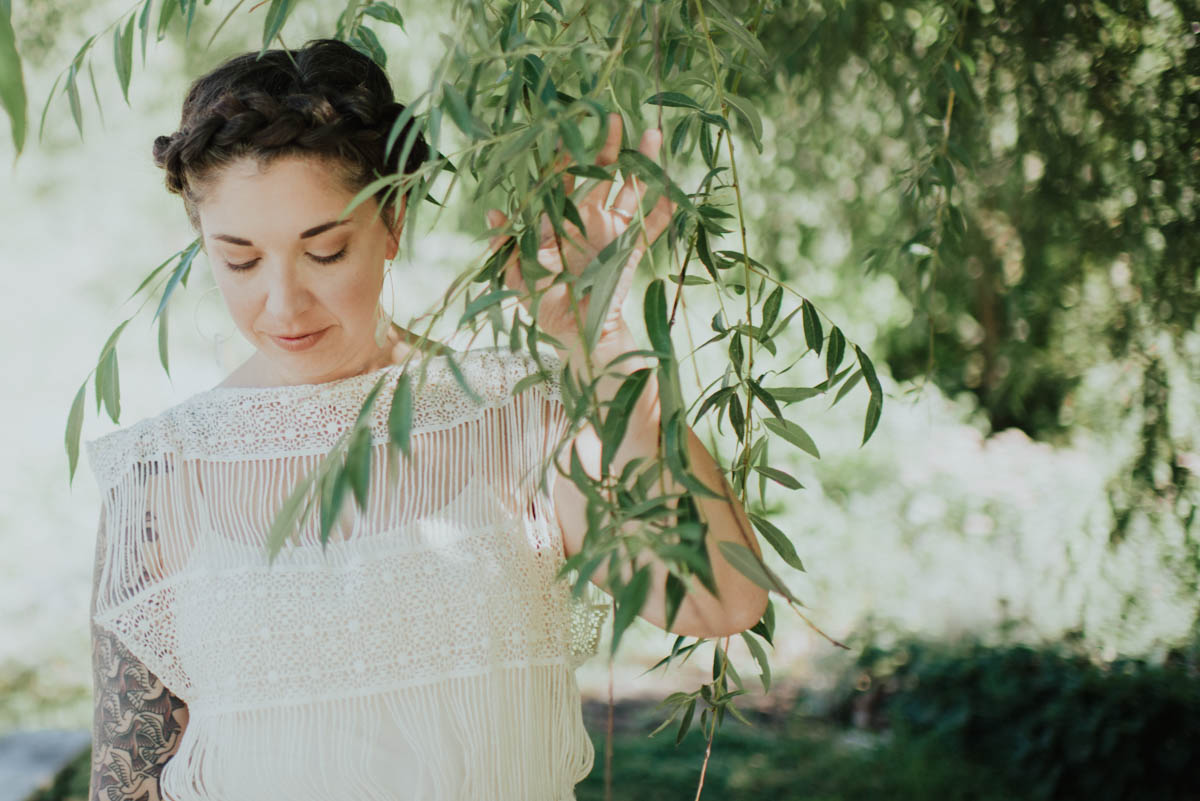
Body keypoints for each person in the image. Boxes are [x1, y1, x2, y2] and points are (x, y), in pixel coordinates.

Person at [85, 37, 767, 801]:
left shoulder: (517, 415)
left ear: (394, 219)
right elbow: (128, 780)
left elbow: (718, 598)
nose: (281, 304)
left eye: (326, 250)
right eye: (239, 260)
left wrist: (601, 341)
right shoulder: (161, 474)